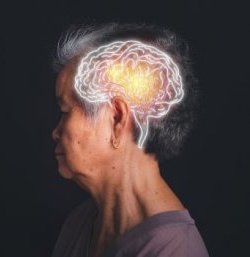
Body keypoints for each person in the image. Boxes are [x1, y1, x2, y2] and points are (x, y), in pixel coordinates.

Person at [50, 23, 209, 257]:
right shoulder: (80, 222)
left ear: (117, 119)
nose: (55, 132)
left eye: (65, 111)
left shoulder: (174, 251)